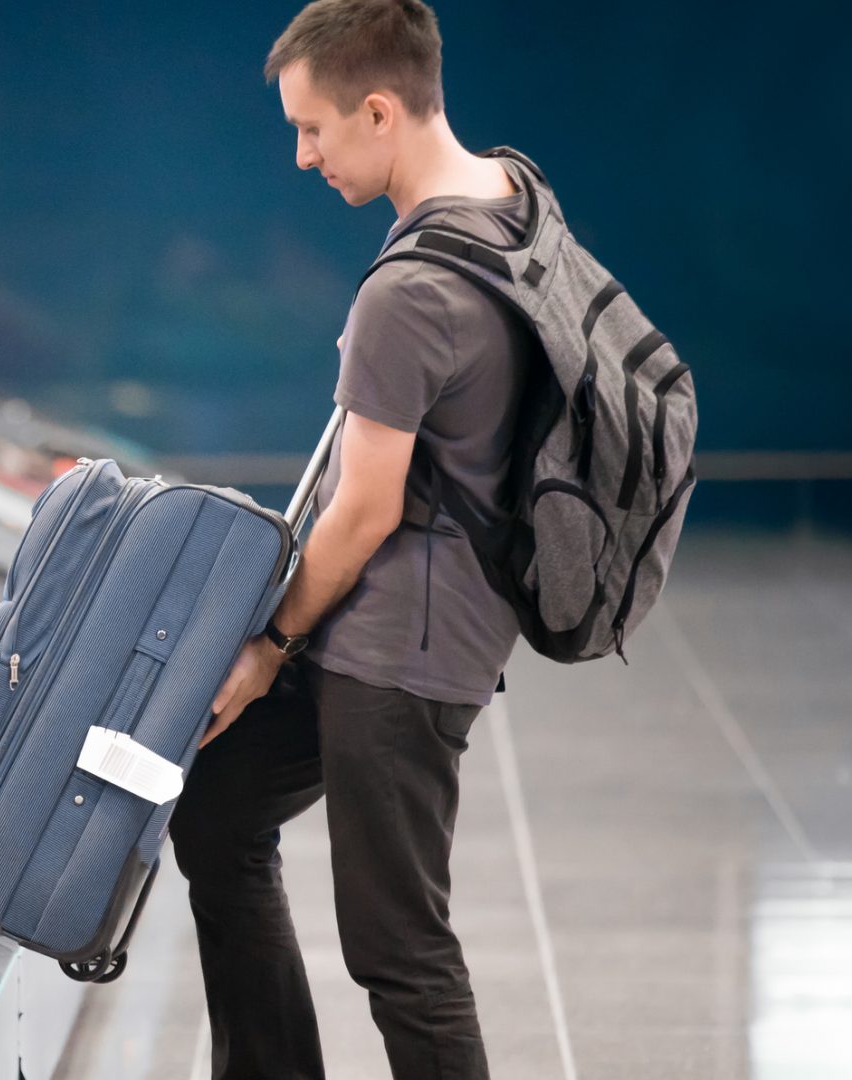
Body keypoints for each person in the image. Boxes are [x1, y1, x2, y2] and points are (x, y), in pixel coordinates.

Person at [167, 1, 538, 1077]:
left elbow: (366, 508)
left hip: (399, 653)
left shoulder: (412, 290)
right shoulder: (511, 200)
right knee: (220, 814)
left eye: (315, 129)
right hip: (399, 620)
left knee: (398, 949)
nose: (302, 156)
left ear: (380, 110)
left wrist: (266, 646)